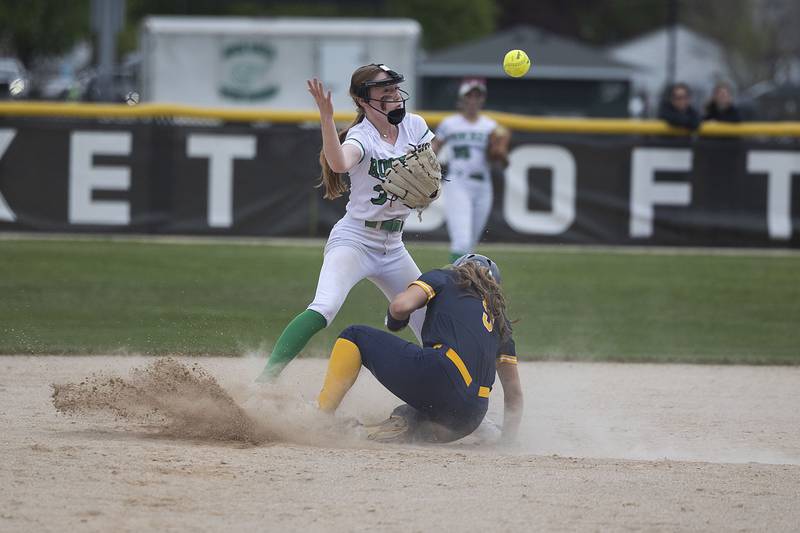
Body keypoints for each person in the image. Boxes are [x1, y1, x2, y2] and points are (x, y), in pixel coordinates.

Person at [256, 64, 437, 381]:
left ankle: (447, 401)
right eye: (385, 92)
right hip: (355, 240)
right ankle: (263, 382)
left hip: (393, 246)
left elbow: (428, 165)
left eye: (395, 90)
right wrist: (326, 118)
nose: (395, 97)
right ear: (364, 100)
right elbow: (339, 162)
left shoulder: (414, 125)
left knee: (431, 320)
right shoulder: (361, 136)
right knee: (324, 307)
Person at [316, 254, 524, 444]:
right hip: (470, 417)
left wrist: (395, 320)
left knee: (354, 335)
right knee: (408, 415)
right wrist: (507, 441)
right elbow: (514, 393)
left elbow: (401, 306)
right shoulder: (501, 322)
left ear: (460, 268)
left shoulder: (446, 277)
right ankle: (362, 435)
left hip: (442, 378)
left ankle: (320, 416)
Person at [432, 78, 510, 263]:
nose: (474, 99)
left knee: (471, 243)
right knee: (461, 241)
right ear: (462, 99)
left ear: (483, 99)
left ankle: (463, 282)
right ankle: (455, 282)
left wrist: (501, 153)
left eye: (478, 95)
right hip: (458, 182)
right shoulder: (450, 123)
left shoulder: (491, 126)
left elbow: (504, 163)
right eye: (470, 95)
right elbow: (433, 149)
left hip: (483, 185)